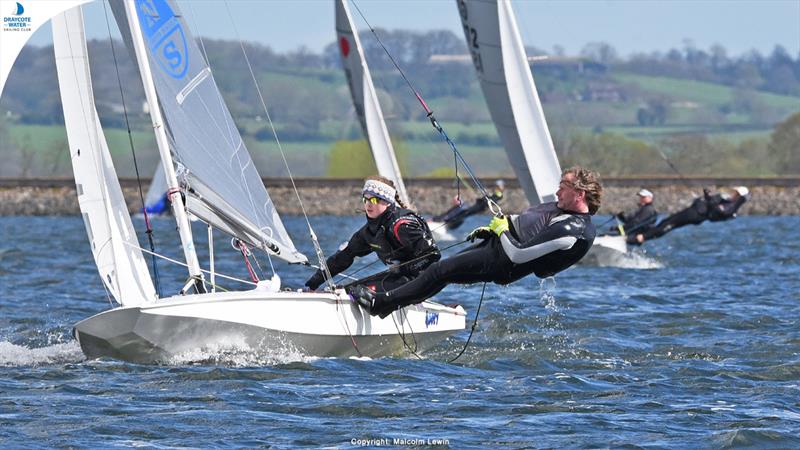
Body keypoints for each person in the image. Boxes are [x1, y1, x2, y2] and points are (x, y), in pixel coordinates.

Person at [349, 166, 601, 317]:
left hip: (504, 262)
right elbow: (527, 222)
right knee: (442, 273)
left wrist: (502, 230)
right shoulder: (561, 208)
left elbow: (519, 255)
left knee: (439, 270)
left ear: (579, 194)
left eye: (563, 187)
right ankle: (401, 300)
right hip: (497, 246)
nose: (557, 191)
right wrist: (495, 227)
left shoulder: (573, 228)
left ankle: (381, 304)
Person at [304, 176, 440, 293]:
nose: (368, 204)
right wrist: (312, 284)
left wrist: (405, 268)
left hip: (420, 282)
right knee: (345, 291)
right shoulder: (368, 232)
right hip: (397, 280)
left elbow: (433, 255)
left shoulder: (402, 225)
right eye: (366, 199)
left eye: (374, 200)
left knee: (358, 293)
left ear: (387, 202)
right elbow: (342, 258)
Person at [632, 186, 750, 245]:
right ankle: (642, 237)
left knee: (669, 223)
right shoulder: (729, 201)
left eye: (737, 193)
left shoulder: (732, 207)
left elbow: (720, 211)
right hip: (694, 214)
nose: (734, 193)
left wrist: (709, 200)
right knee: (667, 223)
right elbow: (713, 202)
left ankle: (641, 238)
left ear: (740, 196)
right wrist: (707, 195)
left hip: (695, 215)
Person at [432, 179, 505, 230]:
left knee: (465, 212)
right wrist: (481, 198)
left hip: (481, 207)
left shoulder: (499, 195)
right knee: (465, 212)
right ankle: (449, 221)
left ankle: (449, 221)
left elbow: (490, 201)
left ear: (501, 187)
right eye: (496, 186)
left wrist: (484, 198)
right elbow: (485, 199)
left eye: (498, 186)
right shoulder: (494, 193)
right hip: (479, 205)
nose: (496, 187)